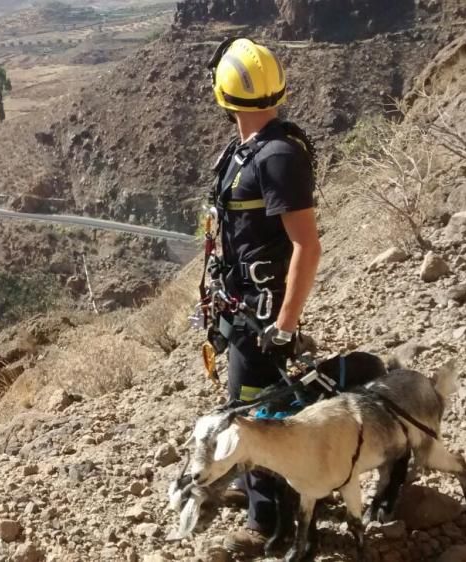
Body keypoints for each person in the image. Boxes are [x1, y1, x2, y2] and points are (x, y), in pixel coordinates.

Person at [203, 38, 322, 557]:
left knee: (255, 414)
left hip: (264, 311)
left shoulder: (276, 156)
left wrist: (286, 325)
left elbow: (307, 246)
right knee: (248, 405)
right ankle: (258, 489)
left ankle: (267, 520)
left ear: (223, 95)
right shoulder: (248, 149)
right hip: (242, 304)